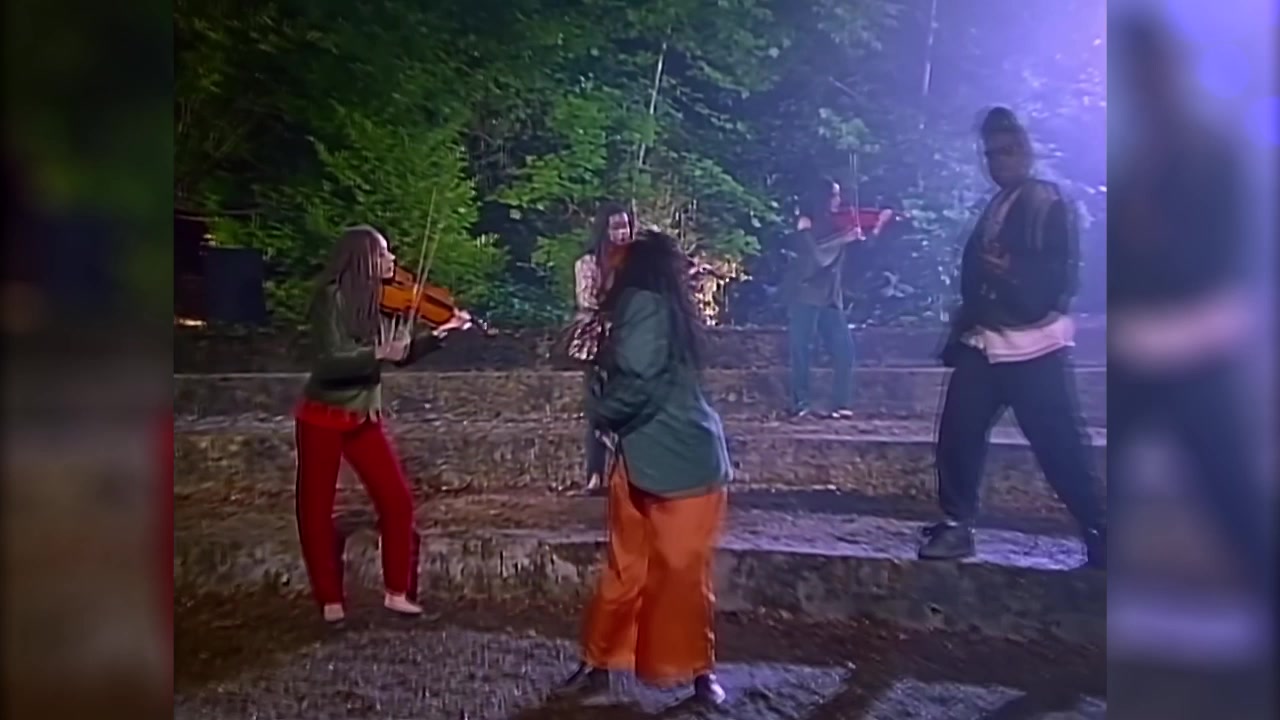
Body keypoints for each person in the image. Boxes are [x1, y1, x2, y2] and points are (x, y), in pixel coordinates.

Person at [919, 107, 1106, 566]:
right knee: (958, 433)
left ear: (1025, 151)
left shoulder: (1047, 202)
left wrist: (1012, 274)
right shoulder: (999, 203)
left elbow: (1059, 275)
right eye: (991, 154)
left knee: (1058, 445)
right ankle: (957, 524)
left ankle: (1100, 528)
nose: (998, 162)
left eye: (1007, 151)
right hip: (984, 342)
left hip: (1033, 346)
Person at [557, 229, 731, 707]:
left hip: (678, 465)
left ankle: (693, 671)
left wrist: (600, 411)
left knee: (677, 574)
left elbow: (640, 381)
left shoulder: (644, 306)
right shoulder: (660, 309)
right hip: (649, 457)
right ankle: (607, 662)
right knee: (636, 569)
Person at [294, 224, 468, 624]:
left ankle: (397, 592)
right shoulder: (331, 298)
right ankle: (330, 599)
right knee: (315, 509)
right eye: (384, 253)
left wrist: (441, 333)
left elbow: (399, 355)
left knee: (397, 501)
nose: (393, 260)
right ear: (363, 258)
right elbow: (330, 362)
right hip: (323, 414)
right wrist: (378, 353)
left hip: (363, 416)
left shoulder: (380, 301)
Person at [781, 177, 863, 418]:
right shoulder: (805, 224)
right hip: (806, 294)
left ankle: (840, 403)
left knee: (845, 349)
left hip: (830, 297)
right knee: (801, 349)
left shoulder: (834, 223)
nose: (838, 200)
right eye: (834, 195)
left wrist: (871, 229)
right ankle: (801, 403)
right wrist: (844, 238)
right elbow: (816, 257)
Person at [568, 202, 634, 493]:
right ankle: (595, 475)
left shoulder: (637, 263)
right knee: (598, 409)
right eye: (617, 227)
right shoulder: (588, 264)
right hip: (598, 341)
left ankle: (630, 475)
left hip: (630, 340)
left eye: (626, 226)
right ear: (605, 230)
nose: (623, 233)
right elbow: (586, 301)